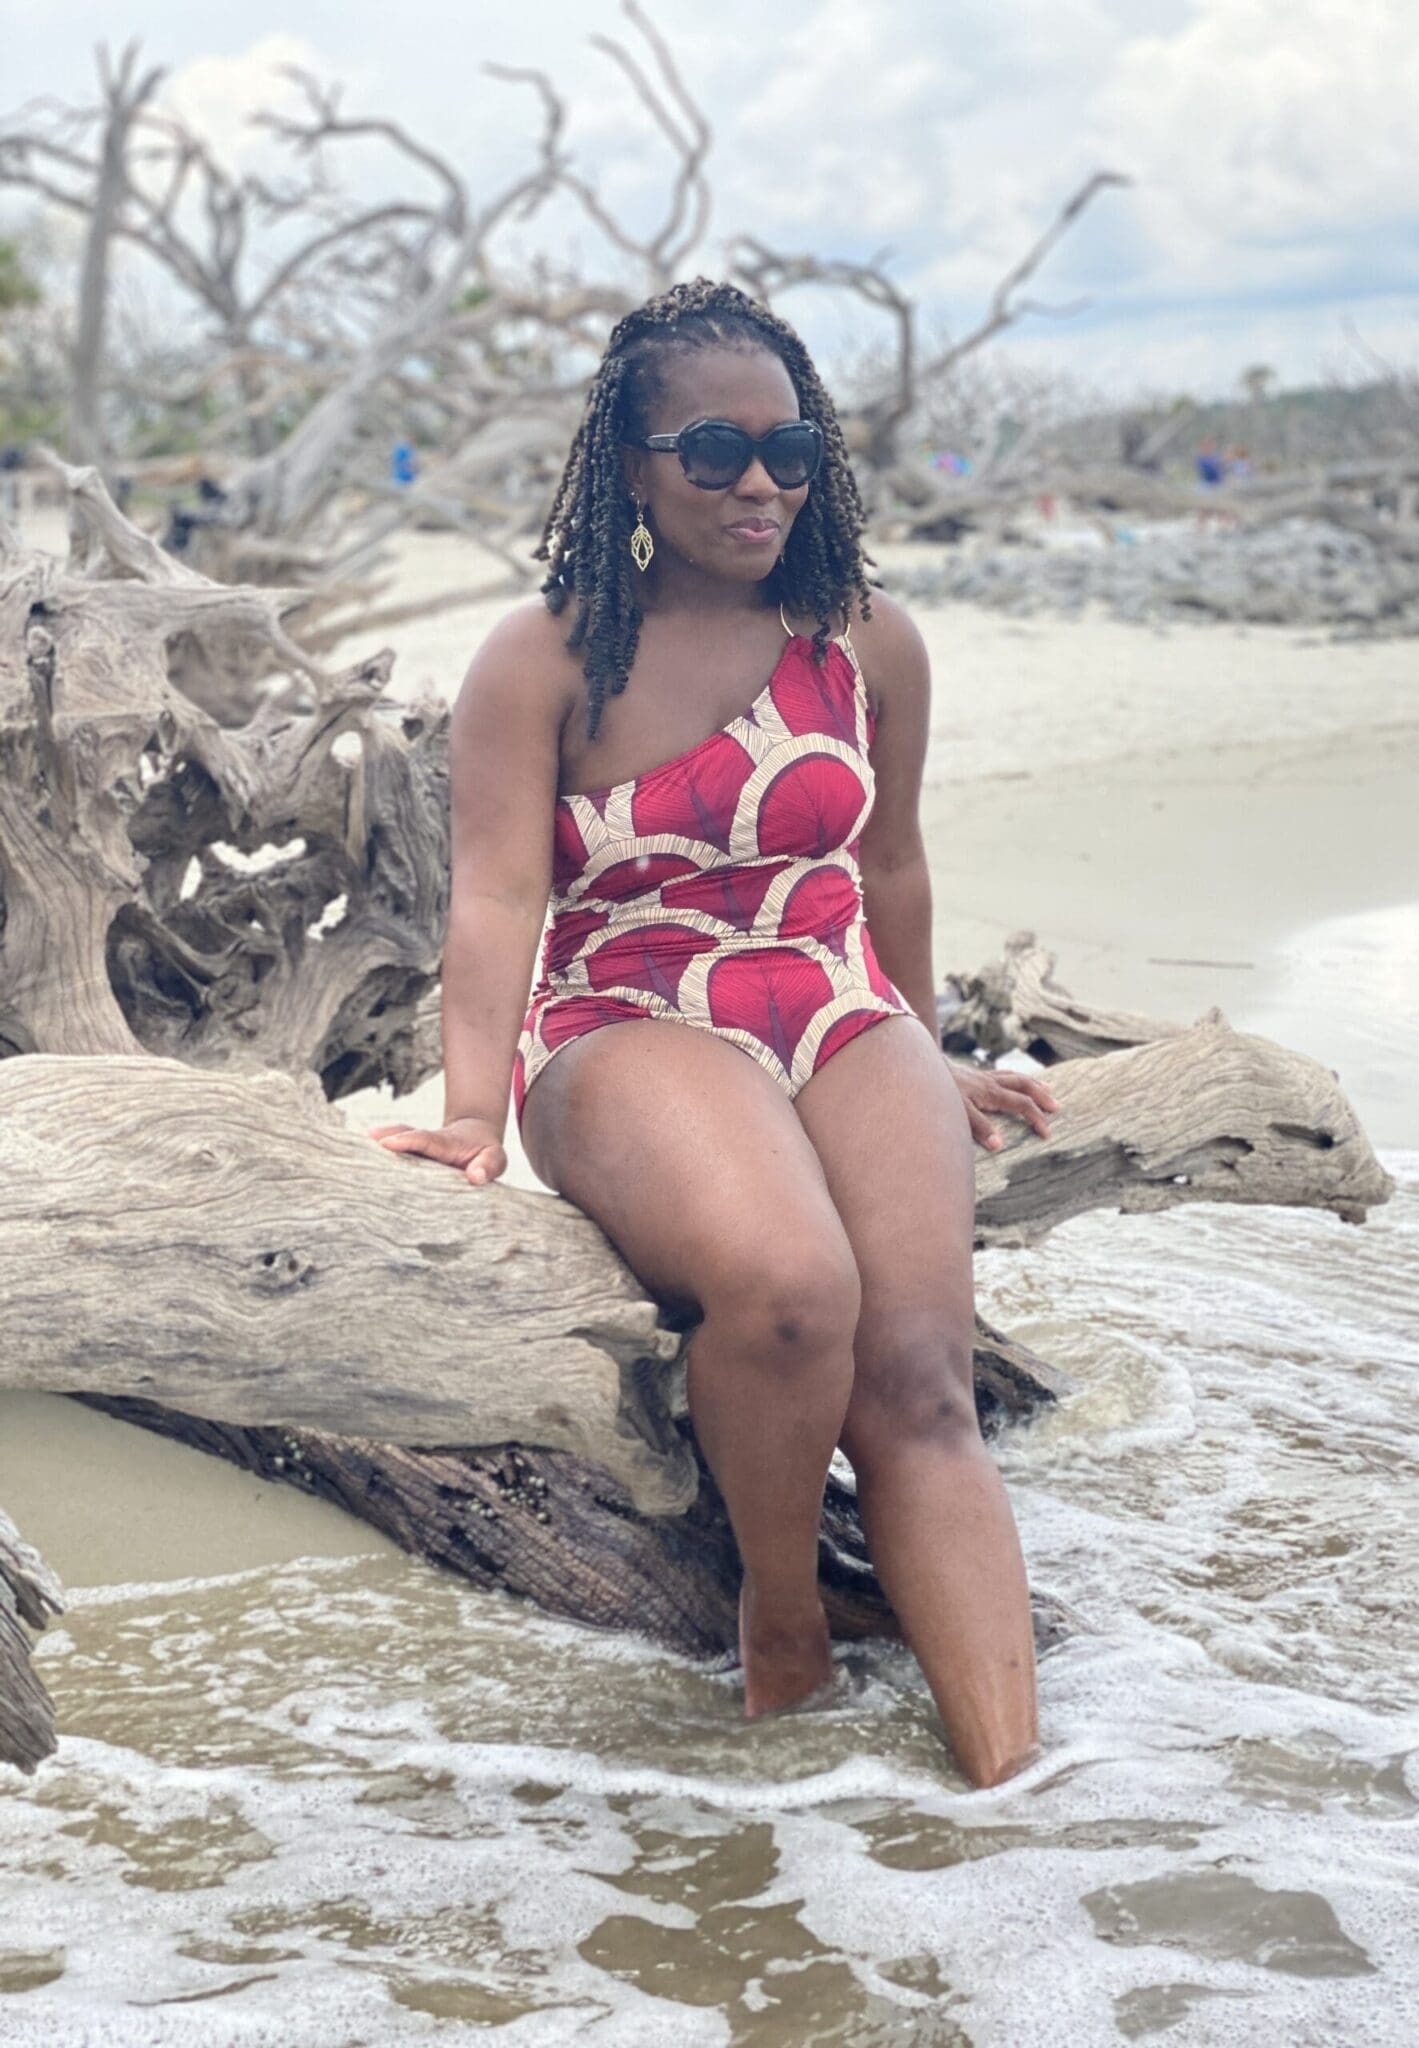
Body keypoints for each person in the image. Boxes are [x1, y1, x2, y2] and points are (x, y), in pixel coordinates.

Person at [367, 278, 1058, 1789]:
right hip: (626, 1017)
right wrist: (475, 1110)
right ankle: (785, 1617)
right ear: (628, 465)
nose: (759, 484)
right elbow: (492, 900)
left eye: (790, 451)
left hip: (831, 999)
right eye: (713, 451)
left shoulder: (868, 639)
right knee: (795, 1294)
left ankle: (1025, 1807)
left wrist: (922, 1049)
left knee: (919, 1372)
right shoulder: (544, 660)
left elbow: (891, 869)